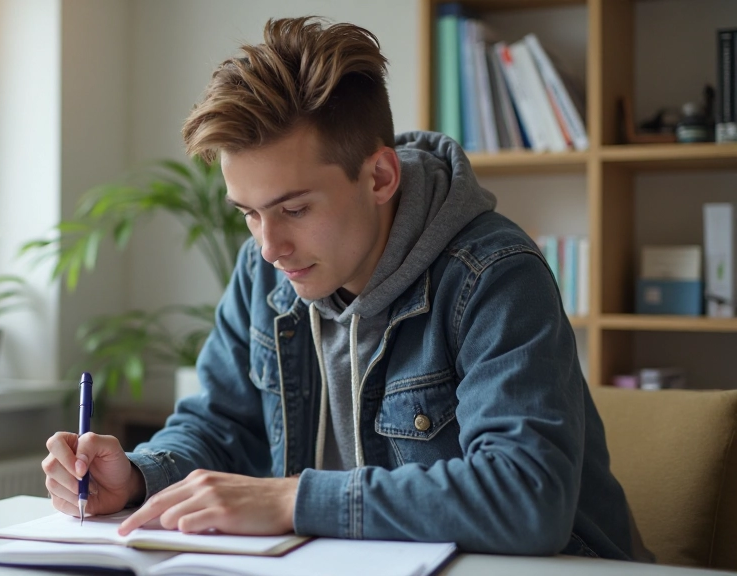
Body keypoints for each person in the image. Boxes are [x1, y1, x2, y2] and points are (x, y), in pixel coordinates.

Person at [43, 16, 650, 560]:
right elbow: (222, 424)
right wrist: (138, 476)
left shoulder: (492, 275)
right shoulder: (267, 271)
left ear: (380, 175)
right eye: (247, 213)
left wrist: (292, 502)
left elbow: (526, 497)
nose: (268, 246)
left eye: (295, 209)